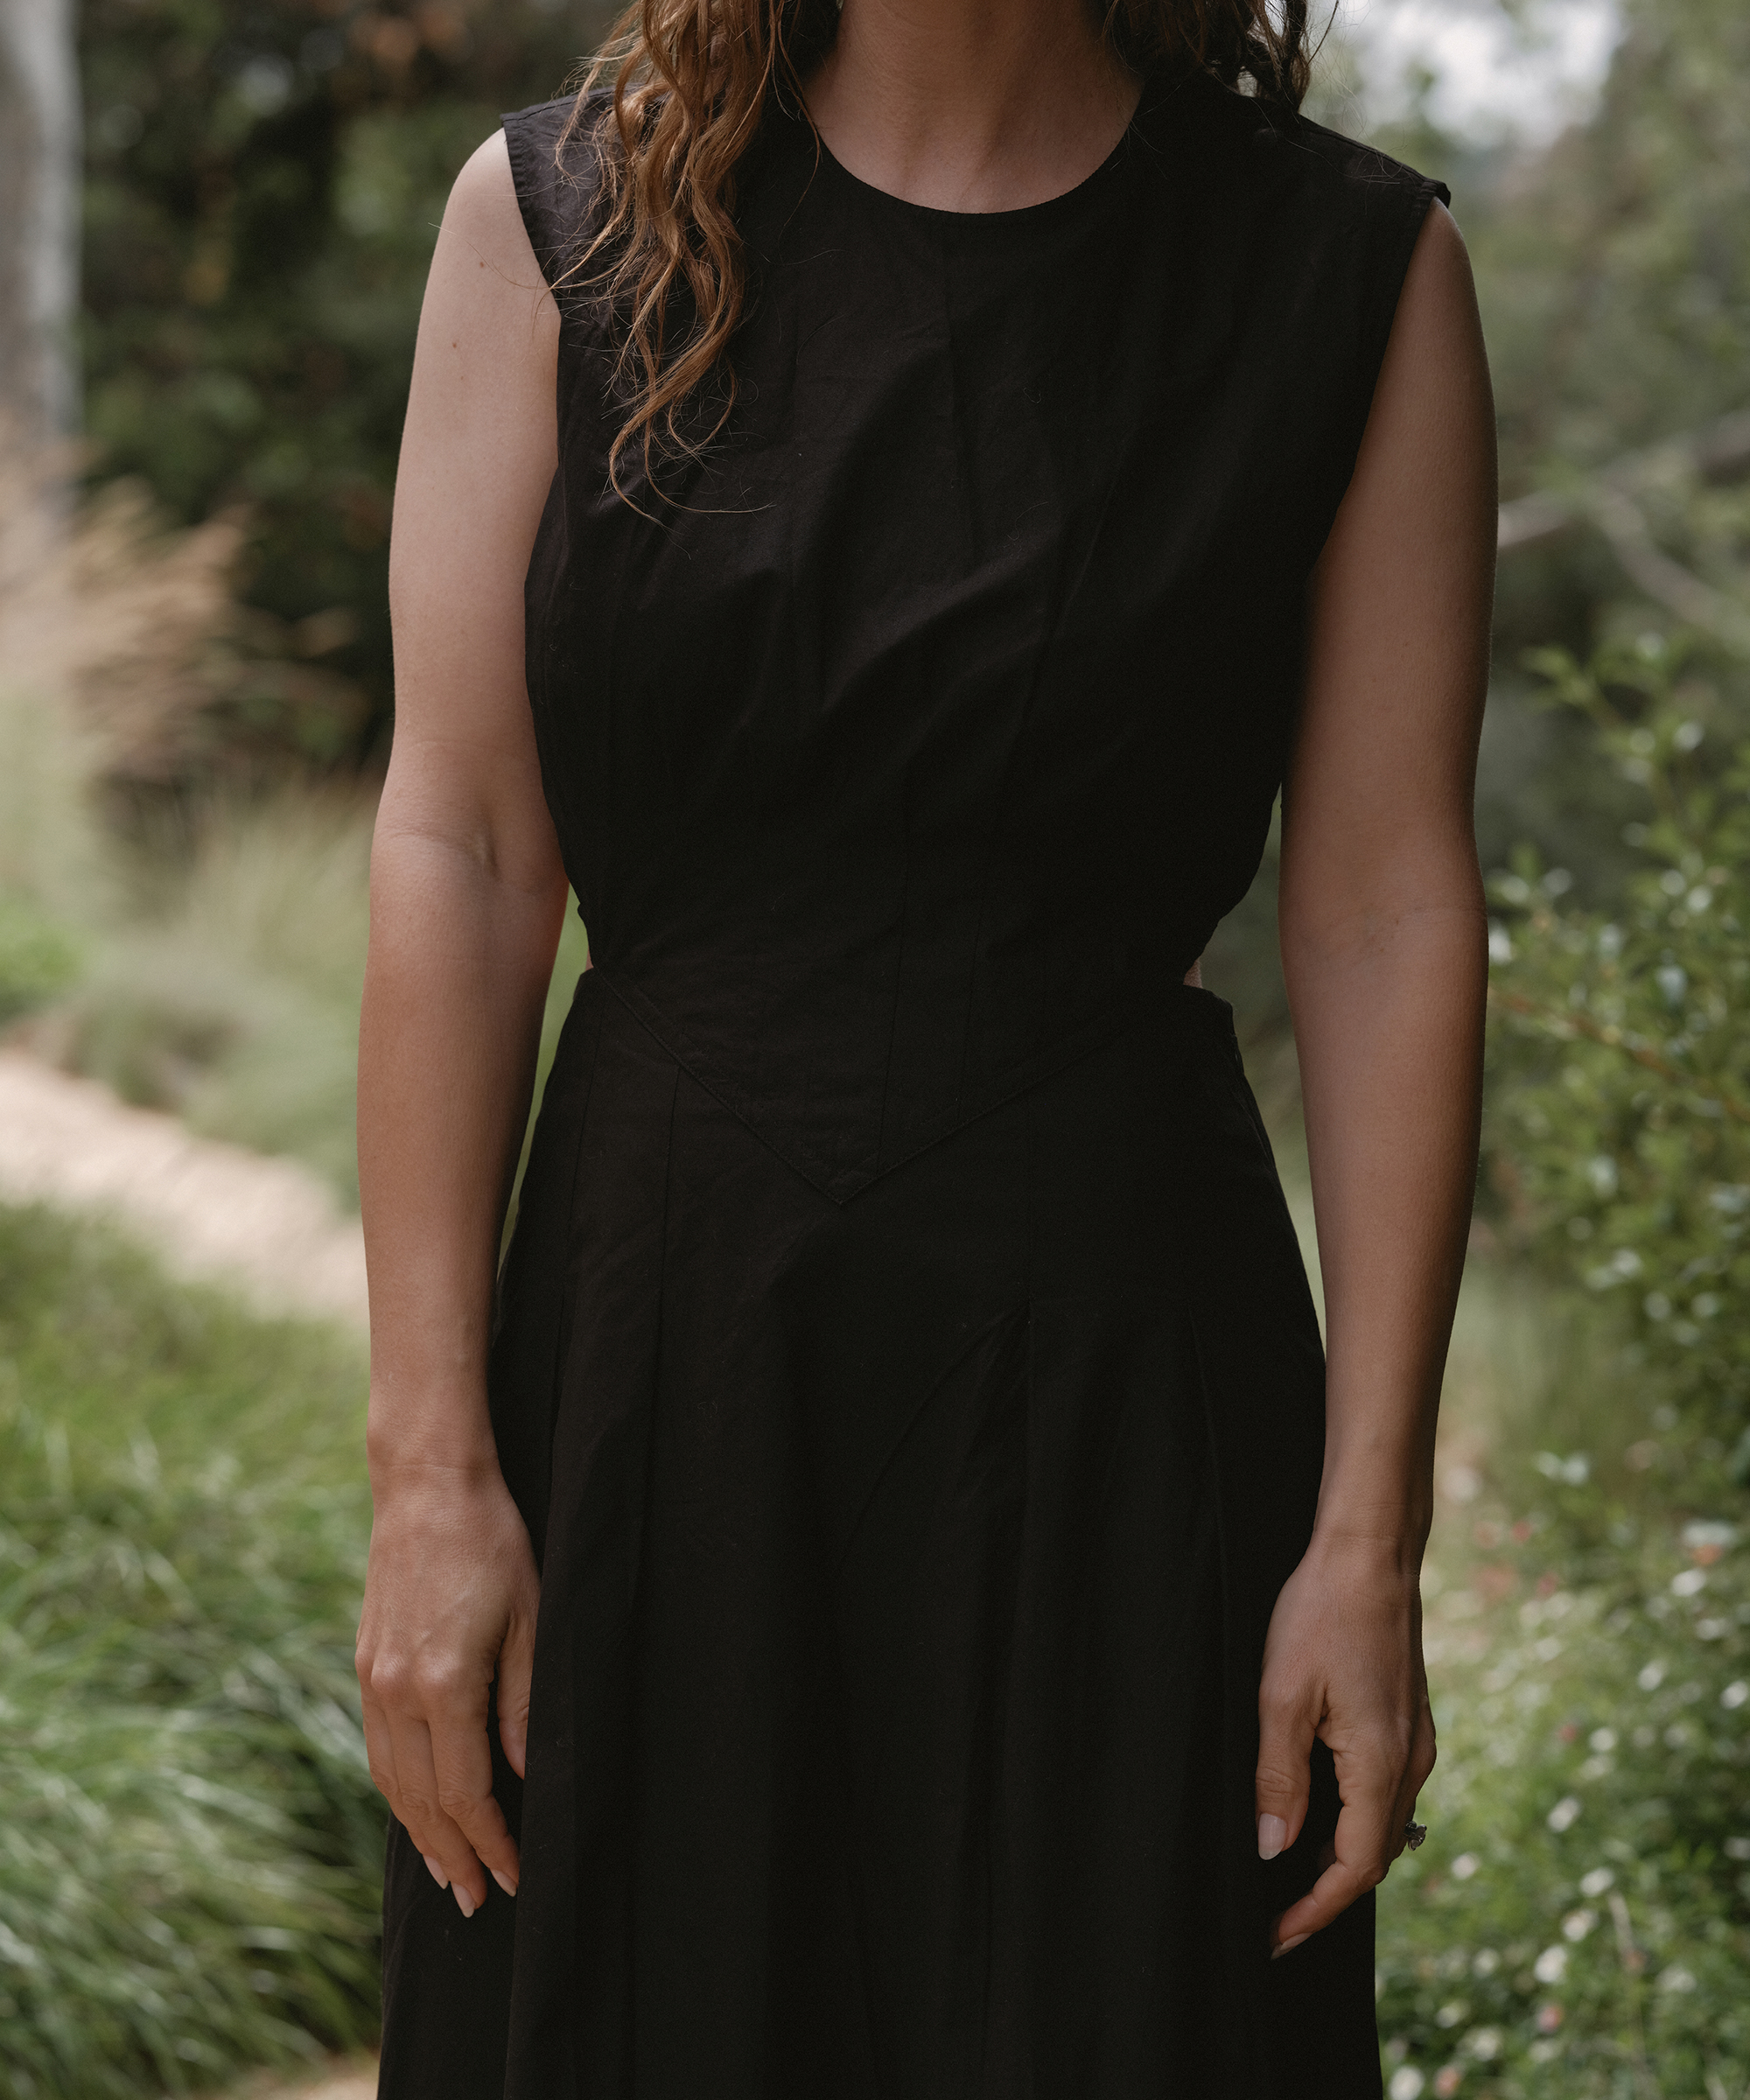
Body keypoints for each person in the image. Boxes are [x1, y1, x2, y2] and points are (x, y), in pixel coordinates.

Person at [353, 0, 1495, 2088]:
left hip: (1125, 1403)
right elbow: (463, 840)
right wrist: (430, 1474)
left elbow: (1385, 906)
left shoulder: (1348, 269)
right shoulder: (560, 222)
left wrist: (1368, 1540)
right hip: (648, 1363)